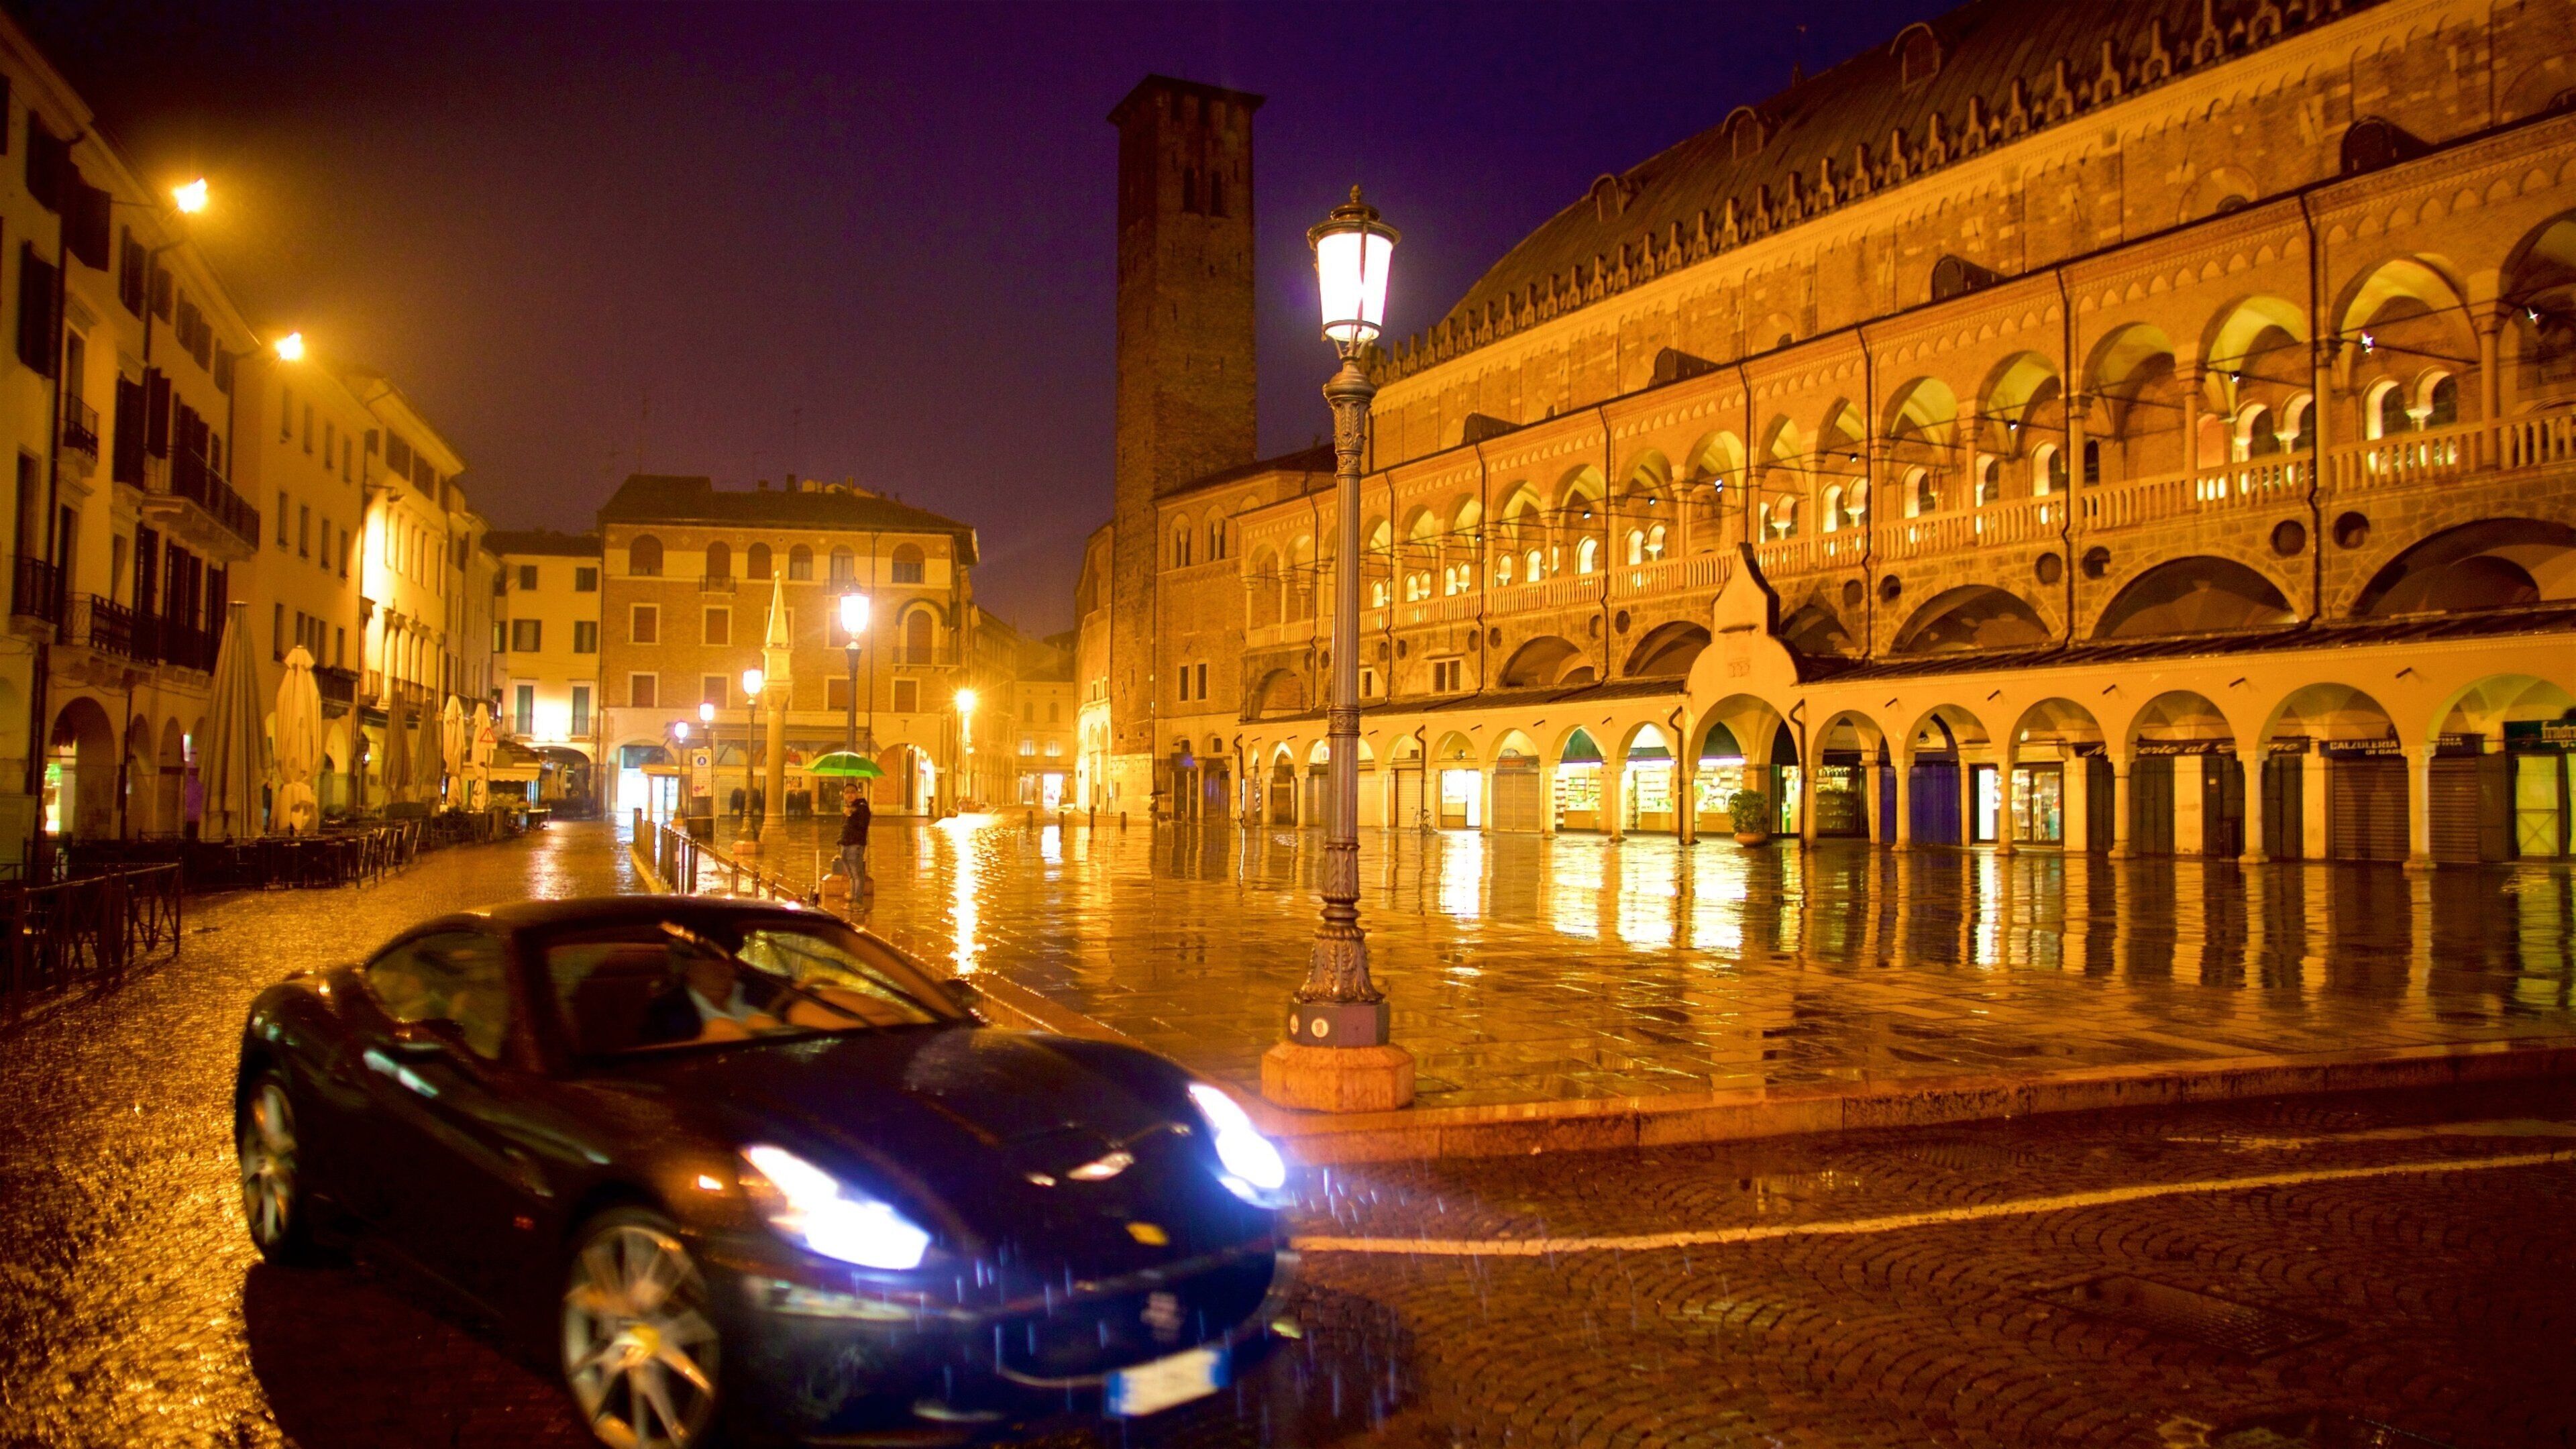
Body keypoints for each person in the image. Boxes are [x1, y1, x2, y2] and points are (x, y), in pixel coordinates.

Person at [839, 789, 872, 894]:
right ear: (843, 795)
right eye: (847, 793)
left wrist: (850, 815)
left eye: (853, 793)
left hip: (855, 844)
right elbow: (844, 827)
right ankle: (853, 899)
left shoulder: (862, 807)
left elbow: (862, 825)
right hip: (845, 844)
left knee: (857, 875)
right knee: (851, 876)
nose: (850, 795)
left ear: (858, 794)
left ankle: (857, 902)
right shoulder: (847, 808)